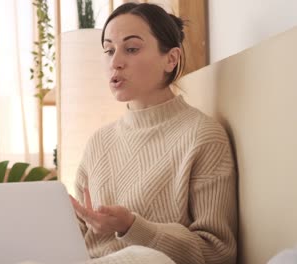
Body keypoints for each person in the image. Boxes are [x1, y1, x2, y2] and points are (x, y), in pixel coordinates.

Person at [69, 3, 238, 264]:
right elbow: (77, 238)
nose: (115, 62)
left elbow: (217, 252)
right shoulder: (99, 142)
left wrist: (132, 227)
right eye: (108, 50)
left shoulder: (203, 136)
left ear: (171, 59)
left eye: (132, 49)